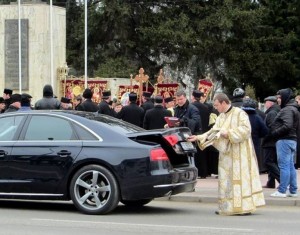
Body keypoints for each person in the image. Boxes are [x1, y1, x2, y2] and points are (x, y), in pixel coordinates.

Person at [187, 93, 265, 215]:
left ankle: (243, 208)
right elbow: (213, 131)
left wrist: (228, 133)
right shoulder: (221, 116)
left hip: (240, 153)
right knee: (226, 180)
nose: (216, 108)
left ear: (224, 103)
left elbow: (246, 130)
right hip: (227, 154)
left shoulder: (240, 113)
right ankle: (227, 207)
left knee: (240, 181)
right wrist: (198, 137)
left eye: (217, 105)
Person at [270, 88, 299, 198]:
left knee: (284, 166)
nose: (277, 100)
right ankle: (293, 190)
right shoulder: (293, 108)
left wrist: (275, 133)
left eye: (279, 97)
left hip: (284, 140)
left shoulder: (287, 109)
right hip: (291, 140)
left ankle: (282, 191)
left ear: (284, 97)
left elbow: (287, 125)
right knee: (290, 166)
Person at [242, 98, 268, 173]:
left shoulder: (241, 118)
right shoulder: (257, 118)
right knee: (253, 165)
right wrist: (258, 136)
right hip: (255, 143)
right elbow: (265, 131)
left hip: (242, 144)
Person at [261, 96, 281, 188]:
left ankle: (282, 181)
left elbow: (272, 128)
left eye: (266, 102)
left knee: (268, 161)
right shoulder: (275, 111)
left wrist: (266, 137)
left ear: (270, 103)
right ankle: (271, 182)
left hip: (270, 142)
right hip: (273, 141)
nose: (265, 104)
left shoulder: (272, 113)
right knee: (272, 161)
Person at [191, 90, 210, 178]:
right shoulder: (206, 107)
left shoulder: (191, 107)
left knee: (196, 153)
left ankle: (197, 172)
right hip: (205, 132)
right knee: (203, 152)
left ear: (193, 97)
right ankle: (204, 172)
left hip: (195, 133)